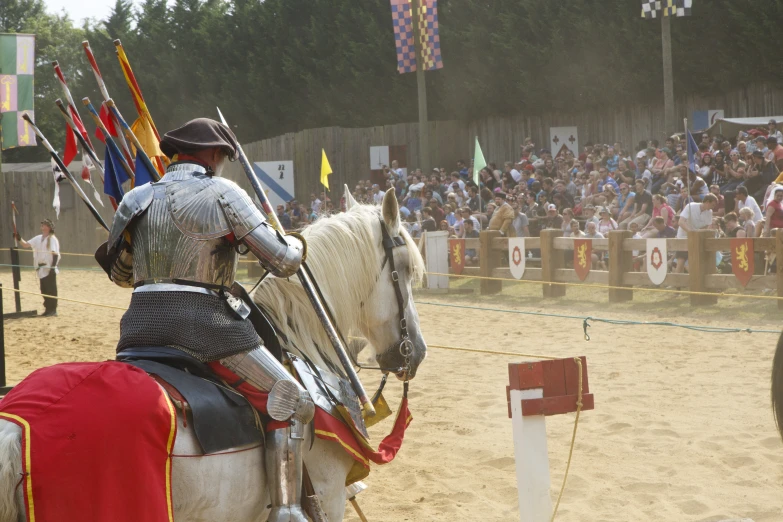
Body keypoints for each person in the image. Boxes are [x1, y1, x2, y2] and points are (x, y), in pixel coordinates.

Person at [97, 118, 313, 521]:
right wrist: (297, 242)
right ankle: (287, 511)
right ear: (215, 154)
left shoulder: (136, 198)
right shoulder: (224, 193)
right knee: (293, 398)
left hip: (140, 325)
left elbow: (120, 275)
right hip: (205, 324)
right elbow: (282, 262)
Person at [16, 219, 60, 317]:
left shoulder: (52, 238)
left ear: (48, 227)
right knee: (43, 289)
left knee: (51, 290)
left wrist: (52, 268)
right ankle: (48, 309)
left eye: (44, 225)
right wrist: (19, 238)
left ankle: (53, 310)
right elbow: (26, 244)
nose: (42, 226)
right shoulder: (38, 238)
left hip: (49, 268)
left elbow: (55, 254)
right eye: (42, 224)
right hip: (41, 269)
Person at [674, 193, 718, 273]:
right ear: (707, 202)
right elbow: (681, 222)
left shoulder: (709, 212)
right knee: (681, 261)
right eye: (712, 205)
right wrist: (691, 232)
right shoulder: (691, 206)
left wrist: (697, 233)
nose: (713, 207)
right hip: (683, 237)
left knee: (695, 261)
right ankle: (676, 284)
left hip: (696, 239)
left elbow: (706, 226)